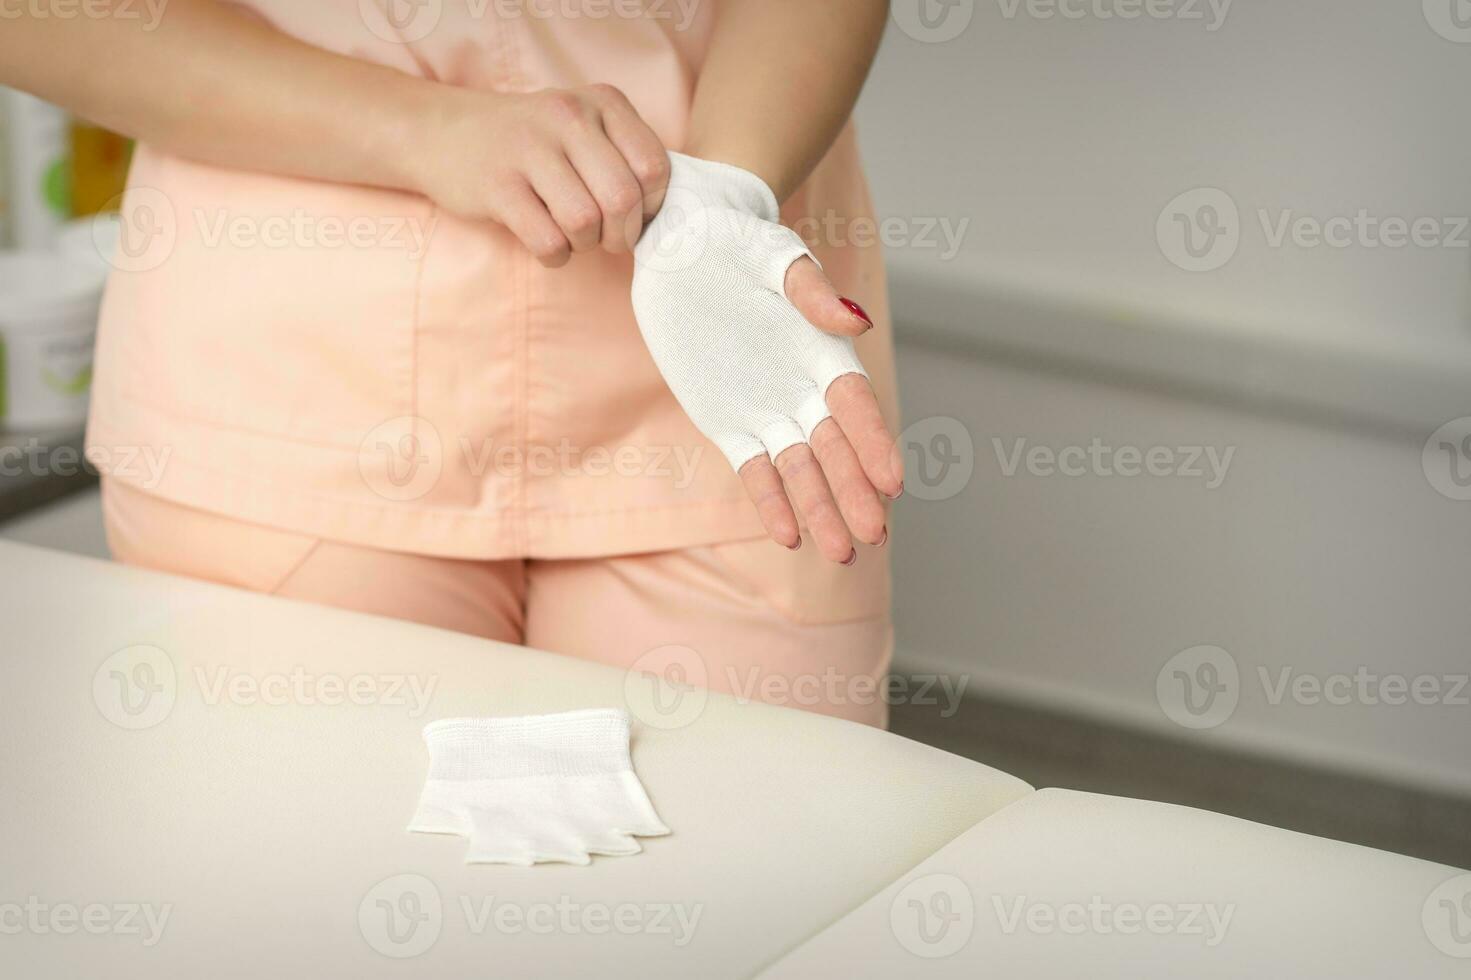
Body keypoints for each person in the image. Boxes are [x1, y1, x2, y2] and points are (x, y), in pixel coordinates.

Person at [2, 0, 903, 726]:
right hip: (291, 366)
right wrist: (423, 131)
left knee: (742, 889)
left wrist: (728, 192)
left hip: (717, 341)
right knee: (309, 904)